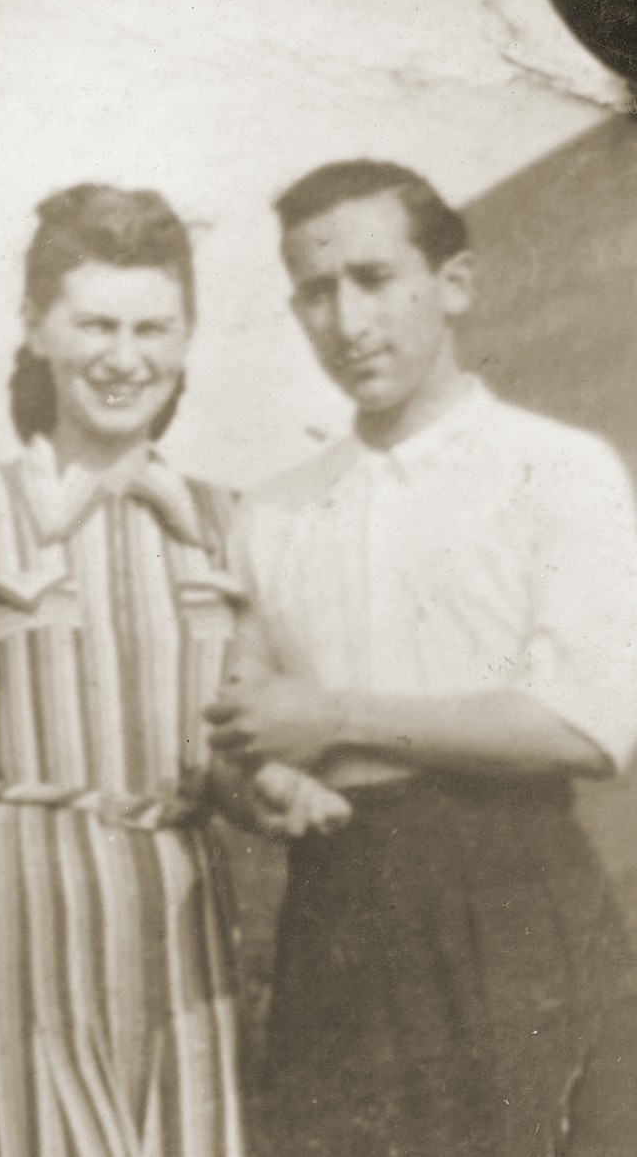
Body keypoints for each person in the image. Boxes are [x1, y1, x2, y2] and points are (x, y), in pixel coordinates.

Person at [207, 159, 637, 1155]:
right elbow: (239, 732)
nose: (347, 321)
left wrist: (338, 717)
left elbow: (585, 722)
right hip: (338, 908)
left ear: (455, 283)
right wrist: (260, 781)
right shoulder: (271, 511)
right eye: (316, 292)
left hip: (512, 893)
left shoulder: (557, 468)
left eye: (374, 277)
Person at [0, 184, 251, 1156]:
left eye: (153, 327)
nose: (124, 356)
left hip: (181, 915)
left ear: (186, 339)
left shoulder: (228, 524)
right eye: (95, 322)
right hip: (19, 906)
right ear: (36, 327)